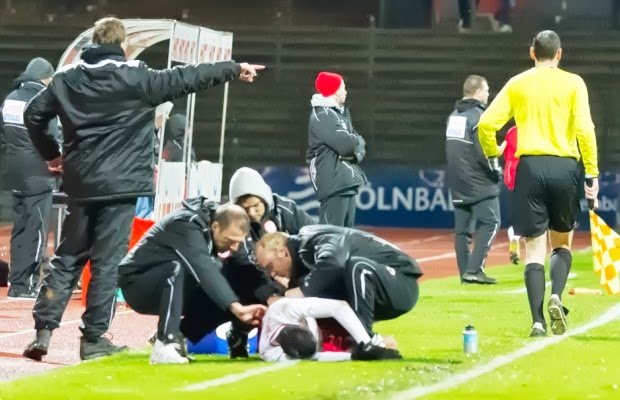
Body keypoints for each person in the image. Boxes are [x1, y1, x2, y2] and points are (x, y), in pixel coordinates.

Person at [22, 16, 264, 362]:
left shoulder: (66, 80)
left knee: (67, 258)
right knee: (106, 263)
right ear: (122, 44)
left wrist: (52, 154)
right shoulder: (138, 79)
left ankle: (42, 332)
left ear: (93, 43)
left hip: (81, 184)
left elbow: (33, 115)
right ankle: (93, 339)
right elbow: (188, 77)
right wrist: (234, 68)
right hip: (121, 187)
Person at [478, 30, 599, 337]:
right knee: (561, 244)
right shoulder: (574, 83)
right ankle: (556, 295)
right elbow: (585, 130)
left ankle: (537, 321)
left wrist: (493, 153)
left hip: (530, 167)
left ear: (532, 52)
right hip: (564, 166)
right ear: (559, 54)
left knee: (534, 249)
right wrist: (591, 172)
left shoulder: (518, 83)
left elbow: (486, 124)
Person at [118, 200, 266, 364]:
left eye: (239, 242)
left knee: (226, 282)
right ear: (215, 226)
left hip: (171, 283)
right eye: (230, 240)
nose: (235, 248)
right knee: (177, 270)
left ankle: (179, 335)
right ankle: (164, 344)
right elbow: (203, 266)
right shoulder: (185, 225)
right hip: (137, 284)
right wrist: (237, 308)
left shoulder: (208, 227)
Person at [216, 166, 317, 358]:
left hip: (288, 273)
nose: (252, 212)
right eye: (245, 208)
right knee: (244, 282)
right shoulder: (232, 220)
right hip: (252, 278)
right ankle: (238, 333)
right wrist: (272, 293)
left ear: (264, 198)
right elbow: (244, 263)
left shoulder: (286, 211)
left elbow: (312, 240)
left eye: (256, 205)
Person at [254, 225, 423, 336]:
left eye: (270, 267)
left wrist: (303, 291)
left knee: (356, 266)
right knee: (313, 292)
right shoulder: (301, 267)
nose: (272, 274)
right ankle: (341, 338)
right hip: (377, 288)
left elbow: (333, 262)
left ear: (282, 252)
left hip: (401, 284)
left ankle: (366, 338)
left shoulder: (311, 239)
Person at [0, 57, 60, 299]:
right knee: (36, 230)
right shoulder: (42, 101)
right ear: (45, 78)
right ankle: (28, 285)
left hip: (15, 173)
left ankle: (16, 283)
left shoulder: (10, 99)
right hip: (39, 175)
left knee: (20, 229)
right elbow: (51, 138)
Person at [445, 75, 501, 285]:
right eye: (486, 90)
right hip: (479, 182)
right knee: (491, 222)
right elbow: (484, 151)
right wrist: (496, 171)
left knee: (462, 231)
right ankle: (474, 270)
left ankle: (465, 274)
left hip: (457, 181)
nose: (488, 93)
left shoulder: (454, 116)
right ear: (478, 92)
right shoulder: (479, 117)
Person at [307, 71, 367, 227]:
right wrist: (356, 143)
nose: (346, 92)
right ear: (334, 90)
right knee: (331, 235)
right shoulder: (323, 115)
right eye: (343, 88)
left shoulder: (339, 113)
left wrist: (356, 148)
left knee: (346, 235)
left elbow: (360, 144)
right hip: (333, 183)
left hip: (346, 182)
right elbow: (348, 144)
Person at [260, 296, 402, 362]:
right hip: (324, 345)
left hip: (322, 319)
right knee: (388, 343)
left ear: (300, 325)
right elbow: (314, 358)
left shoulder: (283, 309)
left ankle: (370, 338)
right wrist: (354, 356)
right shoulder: (271, 354)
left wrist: (366, 345)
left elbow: (338, 307)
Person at [502, 125, 521, 265]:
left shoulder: (512, 131)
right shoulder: (534, 127)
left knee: (517, 215)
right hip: (528, 174)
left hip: (511, 176)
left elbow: (506, 153)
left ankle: (514, 236)